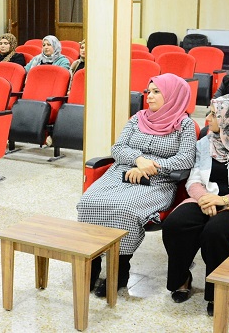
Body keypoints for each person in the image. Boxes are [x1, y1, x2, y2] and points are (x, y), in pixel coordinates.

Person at [76, 74, 196, 297]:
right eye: (148, 91)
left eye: (156, 92)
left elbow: (186, 159)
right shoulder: (137, 118)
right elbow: (118, 148)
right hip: (120, 173)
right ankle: (91, 266)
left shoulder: (184, 125)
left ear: (172, 95)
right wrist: (138, 160)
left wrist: (152, 166)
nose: (149, 96)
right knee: (88, 202)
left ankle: (119, 271)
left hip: (158, 181)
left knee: (125, 209)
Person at [162, 93, 229, 317]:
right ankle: (181, 277)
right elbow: (193, 180)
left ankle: (218, 291)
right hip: (206, 198)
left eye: (214, 114)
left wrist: (224, 200)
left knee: (215, 231)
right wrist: (204, 198)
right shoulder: (206, 142)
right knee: (175, 223)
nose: (208, 119)